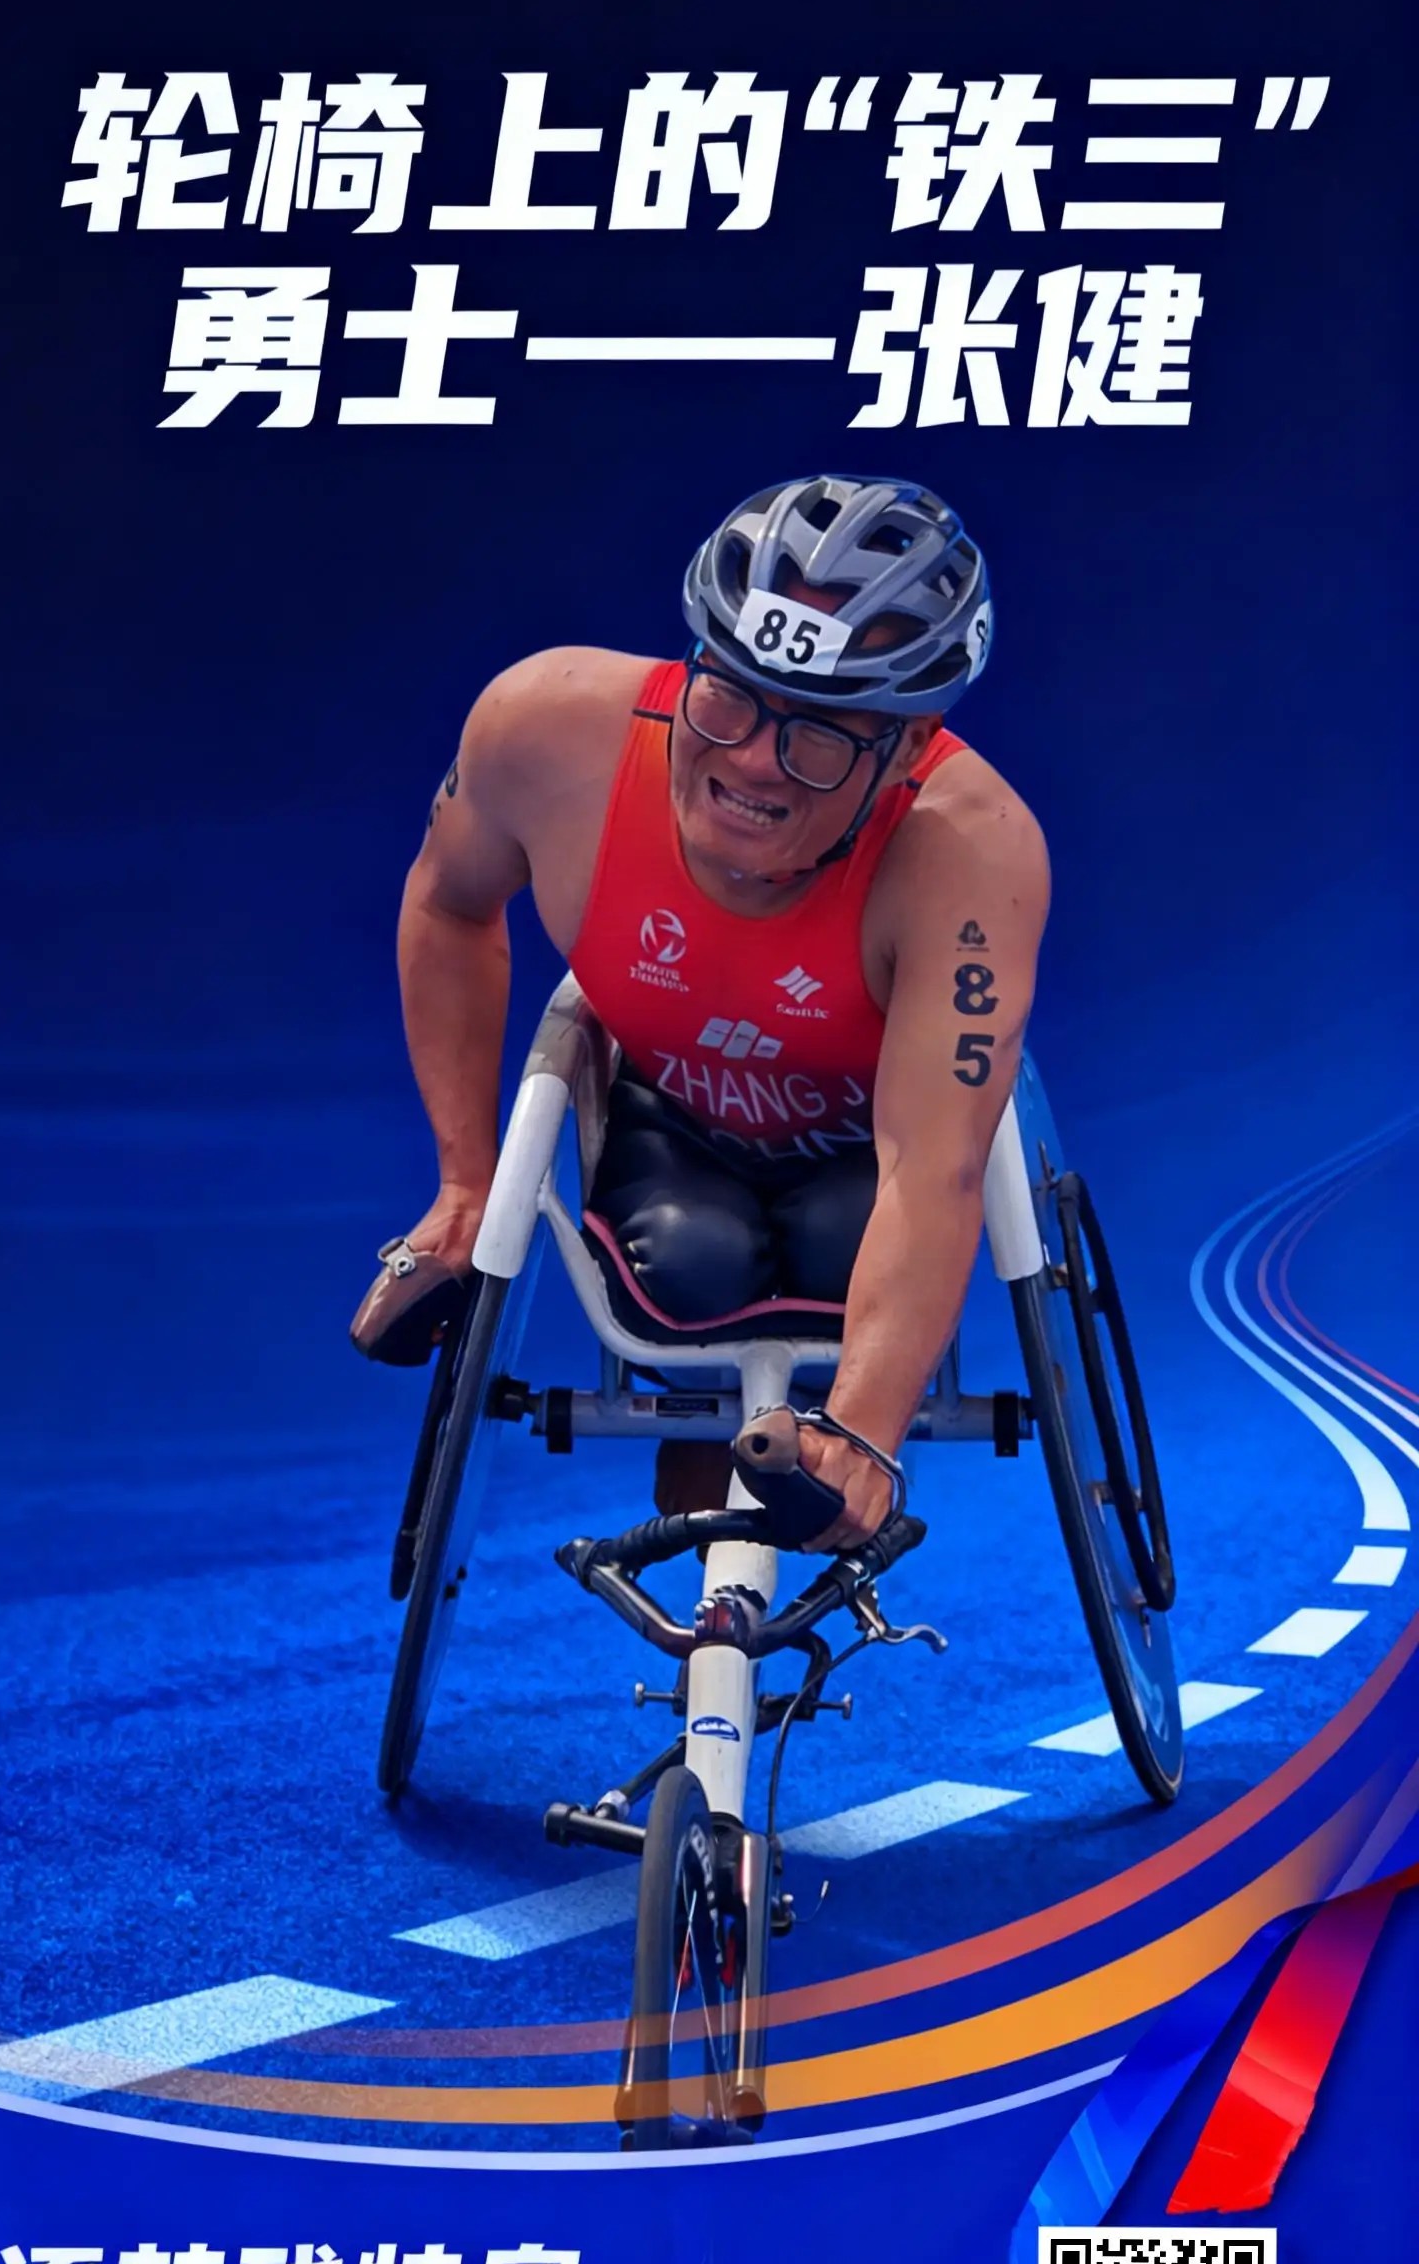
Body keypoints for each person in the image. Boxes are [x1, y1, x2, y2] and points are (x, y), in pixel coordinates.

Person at [355, 475, 1049, 1551]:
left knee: (835, 1244)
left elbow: (933, 1167)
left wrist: (862, 1437)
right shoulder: (543, 728)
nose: (754, 762)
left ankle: (761, 1492)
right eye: (729, 697)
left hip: (868, 1148)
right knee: (692, 1261)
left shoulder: (972, 851)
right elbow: (448, 906)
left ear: (909, 749)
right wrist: (466, 1187)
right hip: (670, 1122)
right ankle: (705, 1504)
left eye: (820, 733)